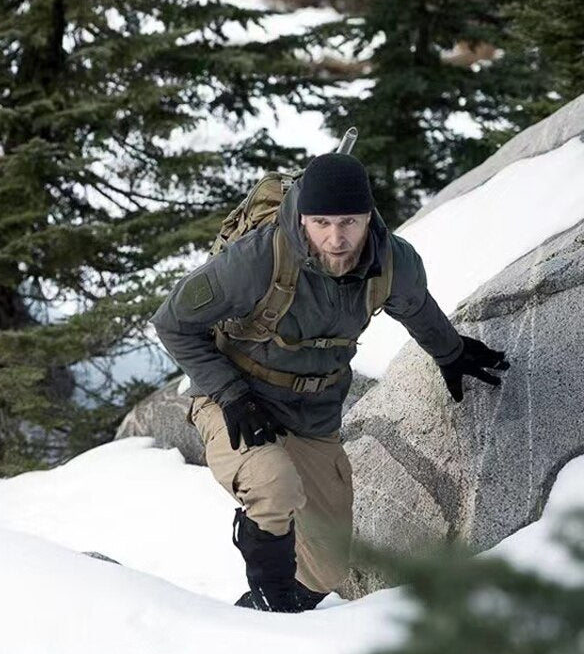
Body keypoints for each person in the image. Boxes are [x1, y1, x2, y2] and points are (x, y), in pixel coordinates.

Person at [149, 153, 509, 613]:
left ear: (368, 218)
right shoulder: (258, 259)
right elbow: (173, 323)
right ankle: (264, 608)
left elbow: (416, 308)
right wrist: (230, 393)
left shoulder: (393, 262)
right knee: (273, 485)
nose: (336, 239)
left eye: (349, 223)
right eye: (321, 222)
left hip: (313, 413)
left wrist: (451, 354)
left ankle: (290, 602)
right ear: (302, 218)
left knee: (329, 568)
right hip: (237, 400)